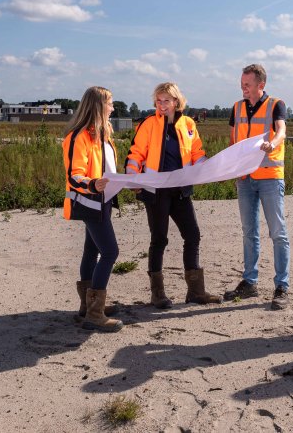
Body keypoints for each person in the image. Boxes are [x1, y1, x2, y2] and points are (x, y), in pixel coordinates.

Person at [126, 82, 221, 308]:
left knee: (193, 235)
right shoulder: (148, 124)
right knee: (159, 240)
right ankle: (157, 294)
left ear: (176, 102)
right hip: (155, 192)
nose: (161, 105)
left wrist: (210, 166)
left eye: (166, 100)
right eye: (158, 101)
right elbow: (135, 154)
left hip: (181, 191)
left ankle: (196, 292)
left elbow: (196, 152)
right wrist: (132, 178)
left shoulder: (188, 124)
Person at [222, 63, 291, 310]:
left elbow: (281, 131)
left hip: (270, 177)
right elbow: (233, 141)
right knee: (249, 231)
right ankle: (250, 282)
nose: (243, 89)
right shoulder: (237, 107)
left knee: (277, 232)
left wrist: (272, 143)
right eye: (242, 84)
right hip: (245, 180)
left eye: (247, 85)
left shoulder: (276, 104)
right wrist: (231, 167)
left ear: (261, 85)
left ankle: (282, 286)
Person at [62, 86, 122, 332]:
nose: (113, 108)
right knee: (110, 252)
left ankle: (87, 307)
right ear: (98, 106)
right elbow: (74, 176)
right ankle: (95, 314)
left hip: (102, 201)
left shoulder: (102, 135)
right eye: (110, 103)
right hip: (89, 202)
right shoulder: (78, 137)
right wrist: (93, 185)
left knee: (92, 250)